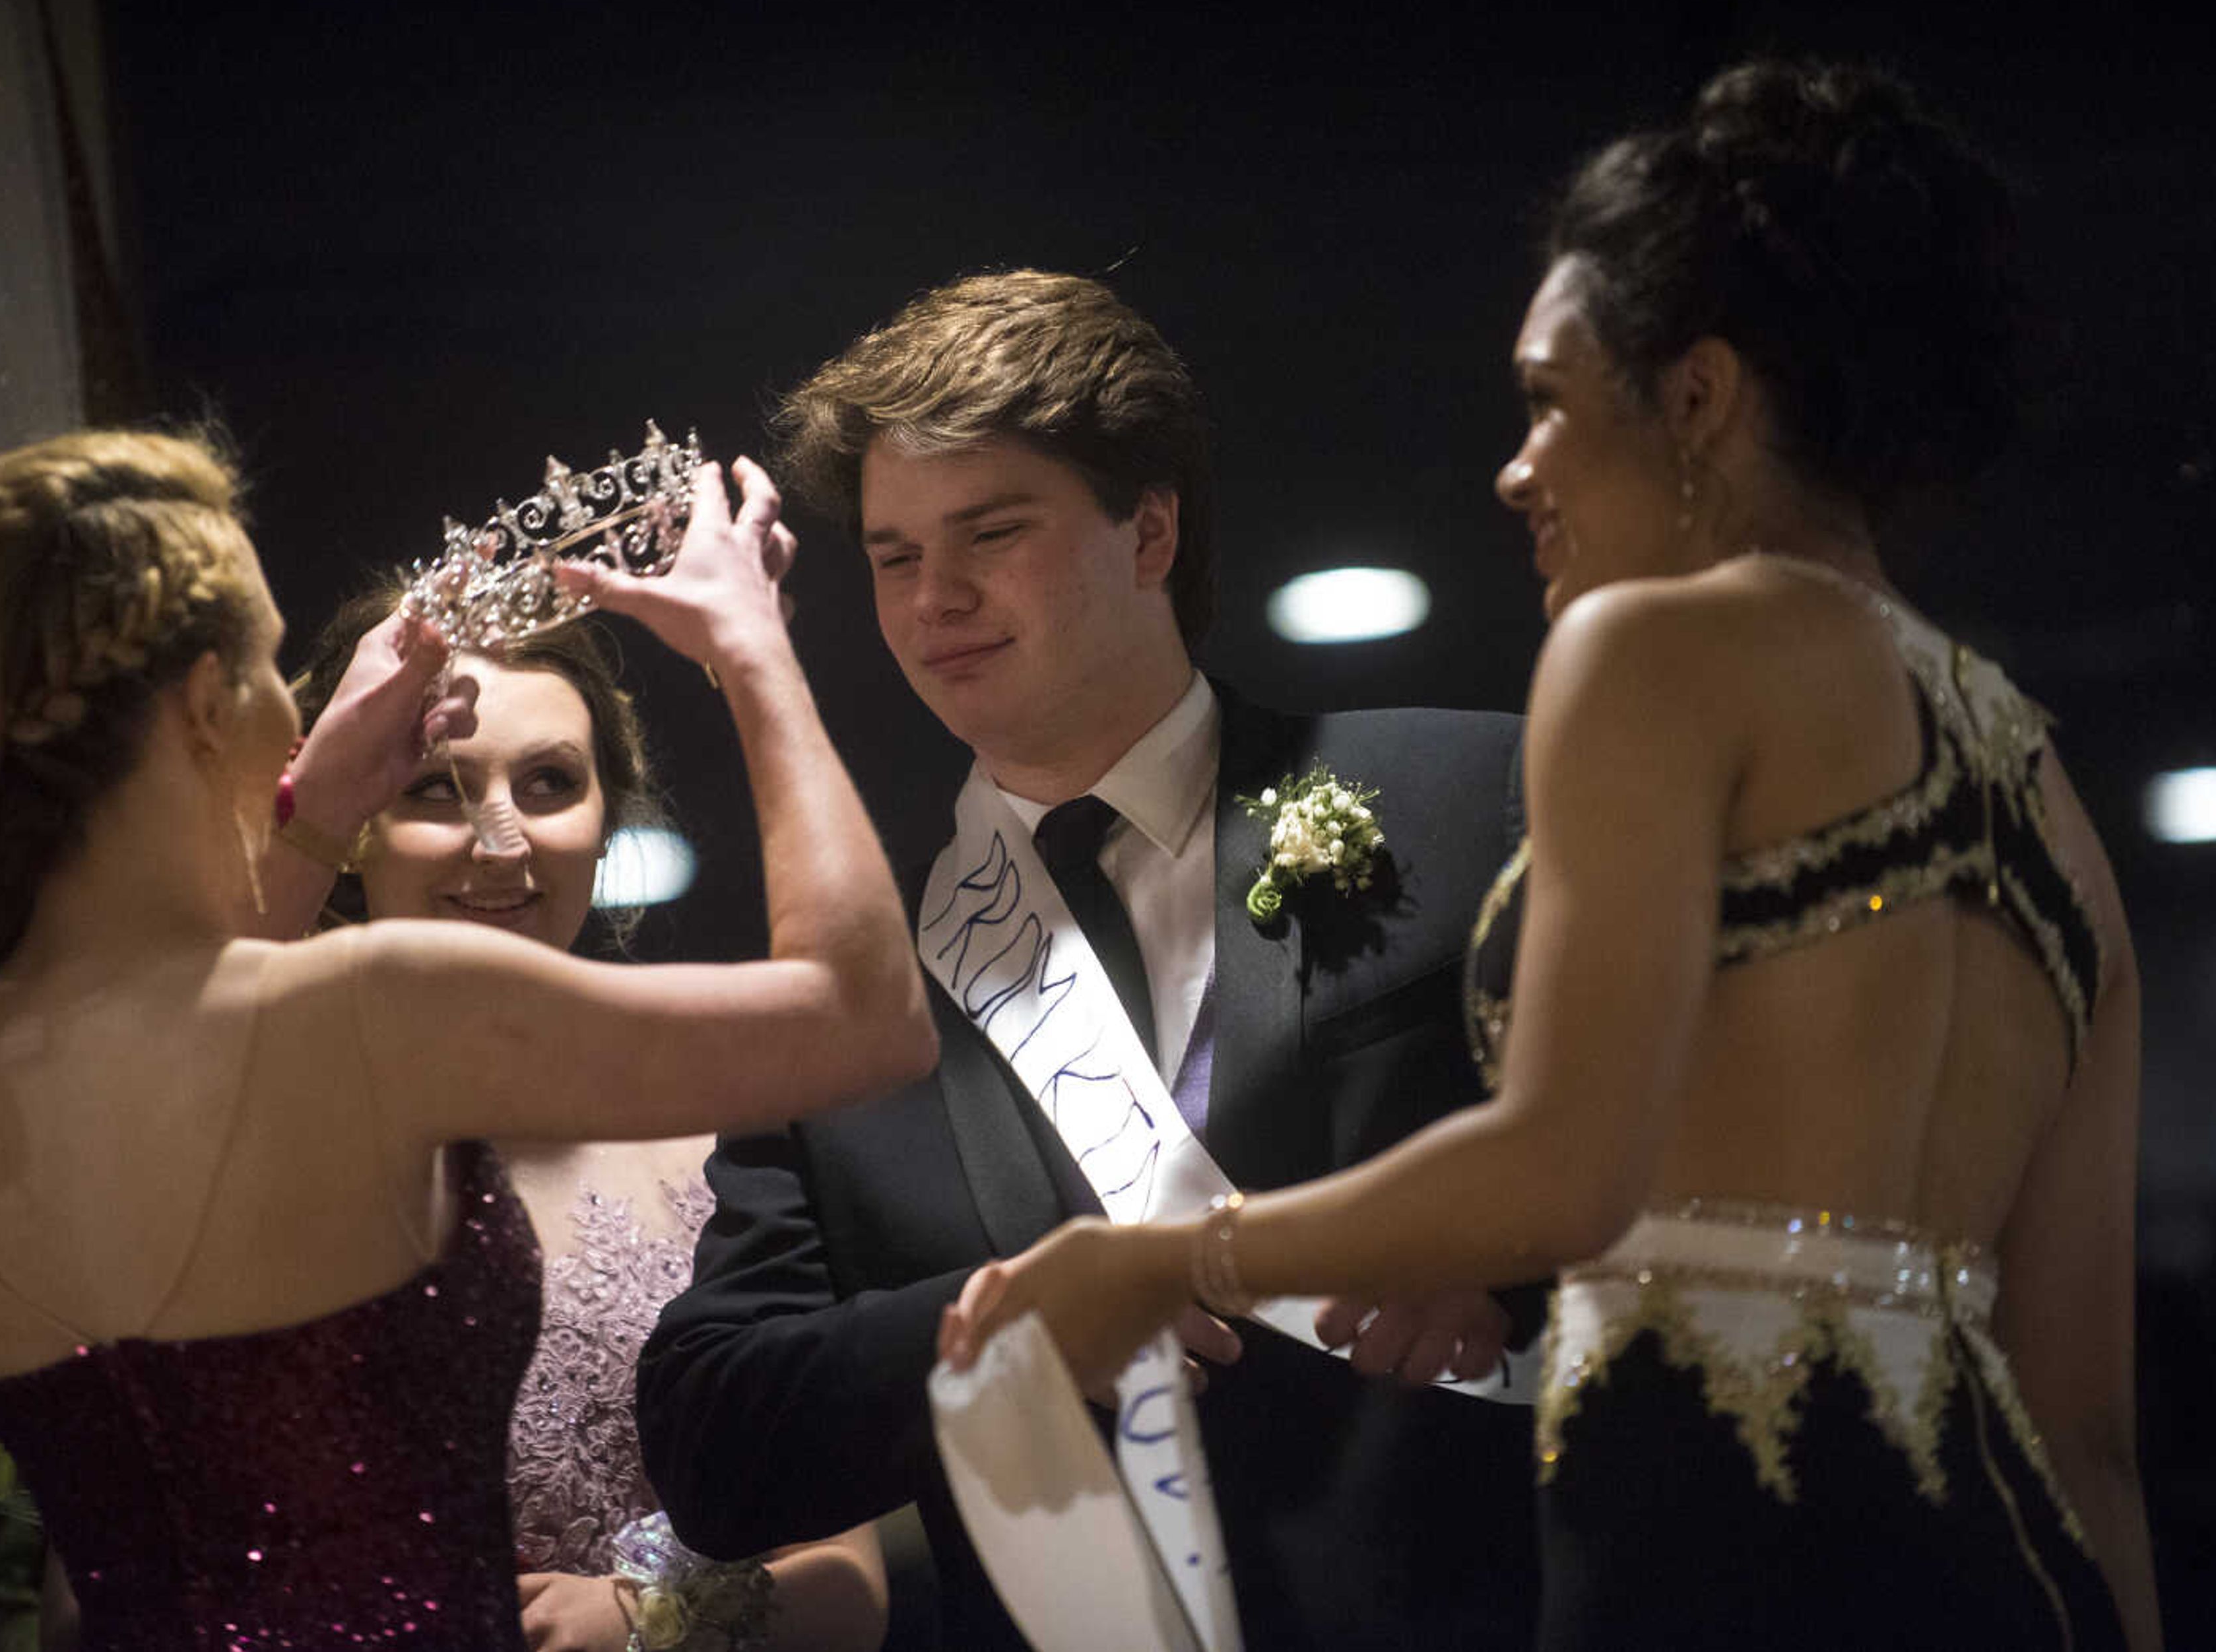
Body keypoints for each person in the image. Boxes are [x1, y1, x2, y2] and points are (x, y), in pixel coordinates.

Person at [939, 61, 2161, 1652]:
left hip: (1724, 1559)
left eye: (1546, 400)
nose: (1517, 471)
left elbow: (1562, 1164)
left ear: (1700, 398)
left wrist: (1171, 1256)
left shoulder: (1653, 649)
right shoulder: (2040, 777)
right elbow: (2091, 1422)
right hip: (2012, 1581)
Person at [0, 429, 934, 1650]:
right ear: (205, 708)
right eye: (266, 669)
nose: (296, 711)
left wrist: (314, 812)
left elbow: (183, 1030)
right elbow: (867, 1014)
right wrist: (752, 648)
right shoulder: (377, 1013)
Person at [637, 270, 1542, 1650]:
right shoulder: (856, 974)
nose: (935, 597)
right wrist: (1012, 1330)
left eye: (991, 533)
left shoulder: (1476, 795)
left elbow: (1737, 1173)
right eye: (891, 556)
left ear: (1152, 530)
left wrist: (1523, 1276)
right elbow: (712, 1435)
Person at [291, 583, 887, 1652]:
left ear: (610, 813)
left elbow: (852, 1580)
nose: (504, 843)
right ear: (351, 814)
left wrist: (644, 1619)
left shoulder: (724, 1139)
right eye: (436, 784)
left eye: (551, 783)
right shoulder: (245, 1132)